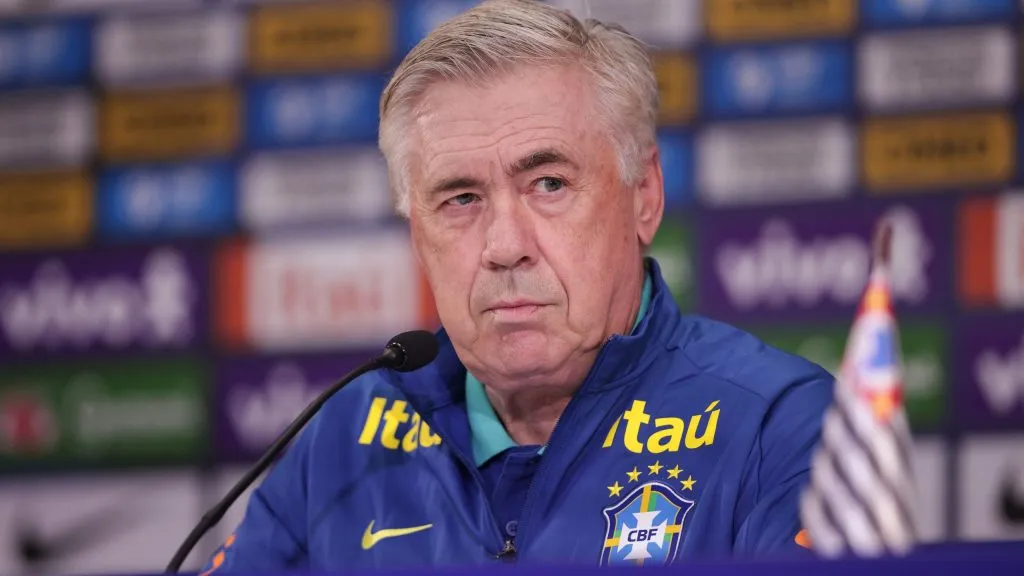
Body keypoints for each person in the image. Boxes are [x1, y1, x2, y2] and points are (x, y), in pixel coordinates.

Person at [201, 0, 832, 570]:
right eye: (461, 198)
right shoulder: (346, 436)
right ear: (416, 233)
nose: (505, 246)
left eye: (549, 184)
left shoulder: (778, 424)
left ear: (644, 194)